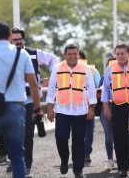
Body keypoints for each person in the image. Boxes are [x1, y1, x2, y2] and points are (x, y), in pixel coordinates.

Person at [0, 21, 41, 178]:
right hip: (16, 109)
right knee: (17, 154)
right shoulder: (22, 54)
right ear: (9, 36)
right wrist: (37, 107)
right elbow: (33, 84)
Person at [0, 28, 59, 175]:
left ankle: (26, 164)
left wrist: (52, 79)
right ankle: (14, 159)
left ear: (22, 39)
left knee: (27, 134)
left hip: (31, 100)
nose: (17, 41)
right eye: (14, 39)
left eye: (20, 39)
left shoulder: (34, 54)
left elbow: (54, 60)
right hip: (11, 100)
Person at [46, 44, 97, 178]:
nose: (73, 56)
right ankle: (64, 158)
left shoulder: (85, 69)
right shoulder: (57, 68)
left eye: (75, 54)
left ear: (78, 55)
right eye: (69, 54)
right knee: (61, 138)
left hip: (80, 110)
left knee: (79, 141)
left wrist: (92, 107)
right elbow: (51, 88)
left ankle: (78, 170)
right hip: (62, 110)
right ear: (65, 55)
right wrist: (50, 108)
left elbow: (91, 88)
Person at [101, 43, 129, 177]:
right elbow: (105, 89)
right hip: (118, 106)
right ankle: (123, 168)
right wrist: (105, 106)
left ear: (128, 54)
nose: (120, 56)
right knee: (119, 137)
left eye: (123, 53)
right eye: (118, 54)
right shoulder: (110, 69)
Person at [78, 50, 101, 163]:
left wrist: (92, 104)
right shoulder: (68, 71)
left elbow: (98, 87)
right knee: (78, 132)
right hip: (75, 107)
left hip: (89, 106)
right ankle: (78, 153)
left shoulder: (93, 71)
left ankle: (86, 153)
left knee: (89, 132)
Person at [99, 56, 116, 170]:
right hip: (106, 107)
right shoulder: (103, 77)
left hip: (121, 107)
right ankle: (110, 159)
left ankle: (125, 157)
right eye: (109, 65)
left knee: (121, 135)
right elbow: (99, 91)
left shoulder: (126, 76)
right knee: (108, 136)